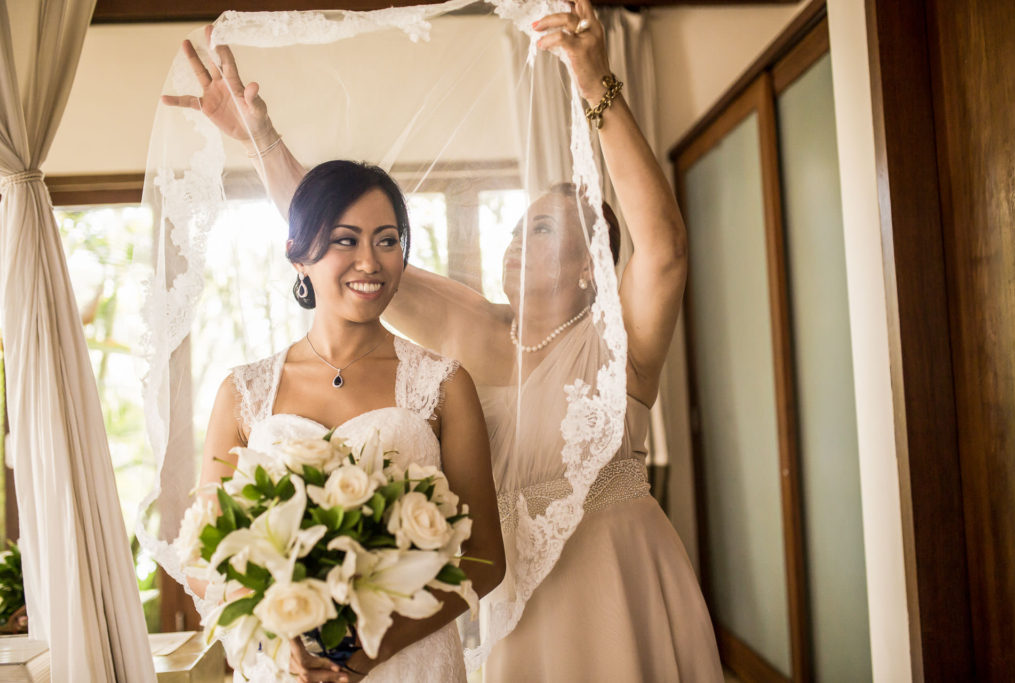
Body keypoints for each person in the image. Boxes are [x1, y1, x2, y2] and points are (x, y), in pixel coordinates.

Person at [168, 1, 722, 679]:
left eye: (544, 229)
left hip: (621, 582)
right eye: (518, 226)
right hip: (518, 605)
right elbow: (342, 247)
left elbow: (664, 246)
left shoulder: (619, 344)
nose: (518, 240)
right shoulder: (473, 331)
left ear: (591, 266)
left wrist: (592, 80)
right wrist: (258, 136)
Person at [197, 160, 505, 683]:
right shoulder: (243, 392)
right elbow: (208, 555)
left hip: (412, 660)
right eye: (346, 240)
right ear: (299, 255)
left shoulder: (445, 385)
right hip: (291, 667)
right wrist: (279, 638)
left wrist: (375, 646)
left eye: (387, 240)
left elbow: (485, 559)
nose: (370, 261)